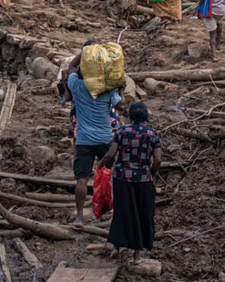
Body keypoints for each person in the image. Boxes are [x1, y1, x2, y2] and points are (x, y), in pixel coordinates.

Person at [66, 42, 123, 231]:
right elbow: (120, 105)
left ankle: (80, 218)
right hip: (105, 139)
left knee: (82, 180)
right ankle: (113, 213)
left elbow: (71, 67)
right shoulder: (107, 89)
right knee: (110, 176)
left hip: (83, 140)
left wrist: (84, 53)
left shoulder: (77, 87)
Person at [100, 102, 162, 261]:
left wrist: (102, 165)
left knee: (121, 212)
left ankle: (116, 248)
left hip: (122, 178)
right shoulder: (152, 134)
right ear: (146, 116)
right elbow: (157, 160)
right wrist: (151, 173)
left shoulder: (122, 131)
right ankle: (137, 254)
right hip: (143, 179)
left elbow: (111, 153)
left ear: (130, 115)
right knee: (142, 214)